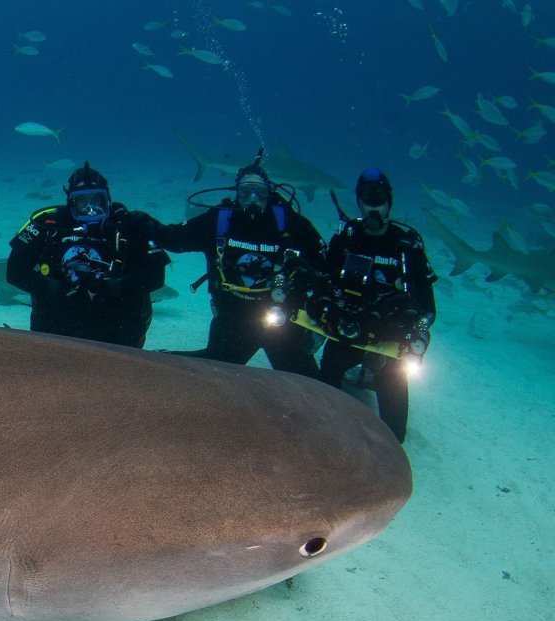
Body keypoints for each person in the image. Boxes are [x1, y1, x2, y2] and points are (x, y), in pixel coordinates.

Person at [152, 150, 326, 377]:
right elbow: (173, 238)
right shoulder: (219, 220)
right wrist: (141, 223)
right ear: (236, 193)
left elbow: (326, 265)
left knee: (309, 385)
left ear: (270, 193)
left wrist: (319, 322)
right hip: (233, 318)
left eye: (260, 192)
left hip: (282, 321)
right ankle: (159, 361)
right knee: (212, 377)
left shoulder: (291, 223)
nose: (253, 198)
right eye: (245, 191)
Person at [310, 168, 437, 442]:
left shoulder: (406, 245)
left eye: (379, 198)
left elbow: (428, 307)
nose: (373, 205)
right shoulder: (346, 239)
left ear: (389, 201)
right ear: (358, 202)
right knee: (315, 416)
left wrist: (419, 330)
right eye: (367, 198)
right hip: (346, 336)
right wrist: (327, 312)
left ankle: (368, 380)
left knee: (394, 436)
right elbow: (319, 285)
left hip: (390, 346)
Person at [5, 162, 170, 348]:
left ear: (107, 199)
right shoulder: (47, 224)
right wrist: (55, 288)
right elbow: (14, 272)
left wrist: (113, 288)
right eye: (82, 201)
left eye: (97, 200)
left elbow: (156, 276)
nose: (91, 209)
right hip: (57, 323)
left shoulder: (129, 225)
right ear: (70, 201)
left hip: (119, 324)